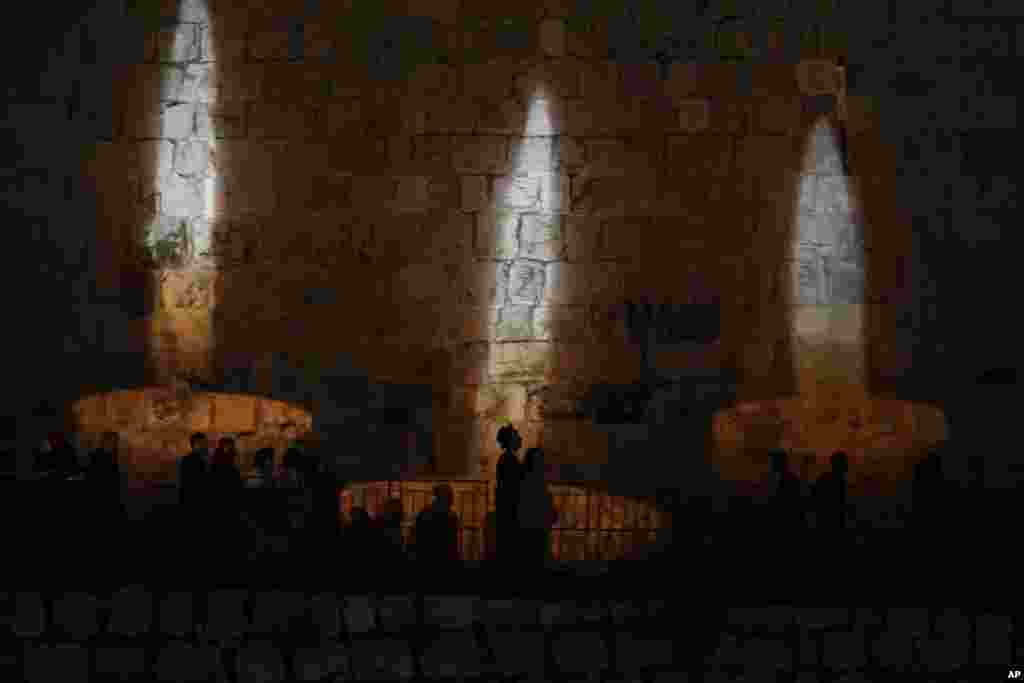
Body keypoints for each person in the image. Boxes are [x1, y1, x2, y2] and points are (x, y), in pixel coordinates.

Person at [517, 448, 556, 571]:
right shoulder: (535, 484)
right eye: (541, 461)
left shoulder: (526, 483)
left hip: (534, 534)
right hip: (535, 534)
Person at [414, 483, 460, 570]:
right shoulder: (451, 516)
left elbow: (416, 537)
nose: (452, 499)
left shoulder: (425, 512)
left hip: (426, 559)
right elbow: (452, 543)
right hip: (443, 560)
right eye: (450, 496)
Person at [495, 424, 524, 563]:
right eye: (517, 436)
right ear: (511, 440)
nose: (520, 438)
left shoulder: (506, 459)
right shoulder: (509, 460)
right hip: (510, 509)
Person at [85, 431, 124, 531]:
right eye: (111, 441)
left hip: (112, 492)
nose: (113, 443)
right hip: (101, 494)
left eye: (115, 441)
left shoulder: (117, 455)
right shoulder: (97, 455)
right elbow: (91, 475)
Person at [812, 451, 851, 546]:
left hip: (824, 524)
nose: (847, 465)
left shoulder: (823, 478)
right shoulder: (838, 482)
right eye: (845, 463)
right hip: (831, 525)